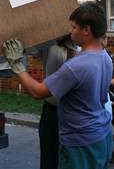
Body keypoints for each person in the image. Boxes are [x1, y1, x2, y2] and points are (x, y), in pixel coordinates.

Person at [3, 2, 113, 169]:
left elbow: (37, 92)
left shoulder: (77, 66)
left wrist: (17, 65)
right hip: (101, 134)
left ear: (86, 30)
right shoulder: (104, 56)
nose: (70, 31)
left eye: (73, 27)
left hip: (80, 141)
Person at [33, 35, 76, 169]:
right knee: (50, 157)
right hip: (52, 110)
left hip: (71, 113)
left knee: (68, 158)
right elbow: (32, 49)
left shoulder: (82, 48)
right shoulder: (51, 46)